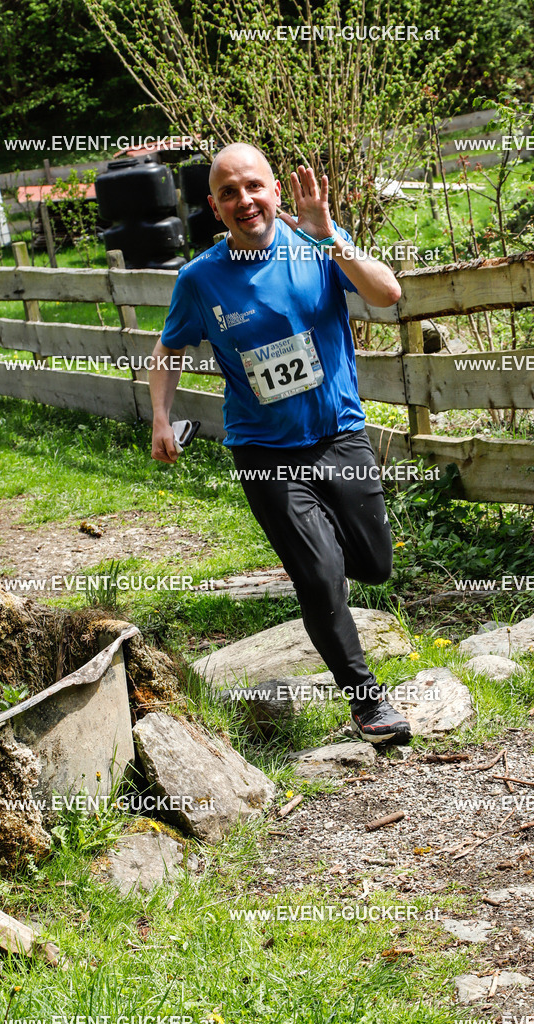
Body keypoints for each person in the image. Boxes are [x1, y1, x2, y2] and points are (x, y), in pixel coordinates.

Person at [149, 142, 411, 743]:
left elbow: (387, 294)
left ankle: (326, 556)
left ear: (272, 190)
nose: (244, 201)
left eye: (253, 187)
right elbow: (168, 348)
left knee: (374, 564)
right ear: (215, 208)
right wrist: (162, 417)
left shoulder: (318, 243)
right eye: (228, 193)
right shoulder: (200, 279)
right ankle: (368, 704)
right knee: (318, 578)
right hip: (264, 450)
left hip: (340, 436)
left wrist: (329, 238)